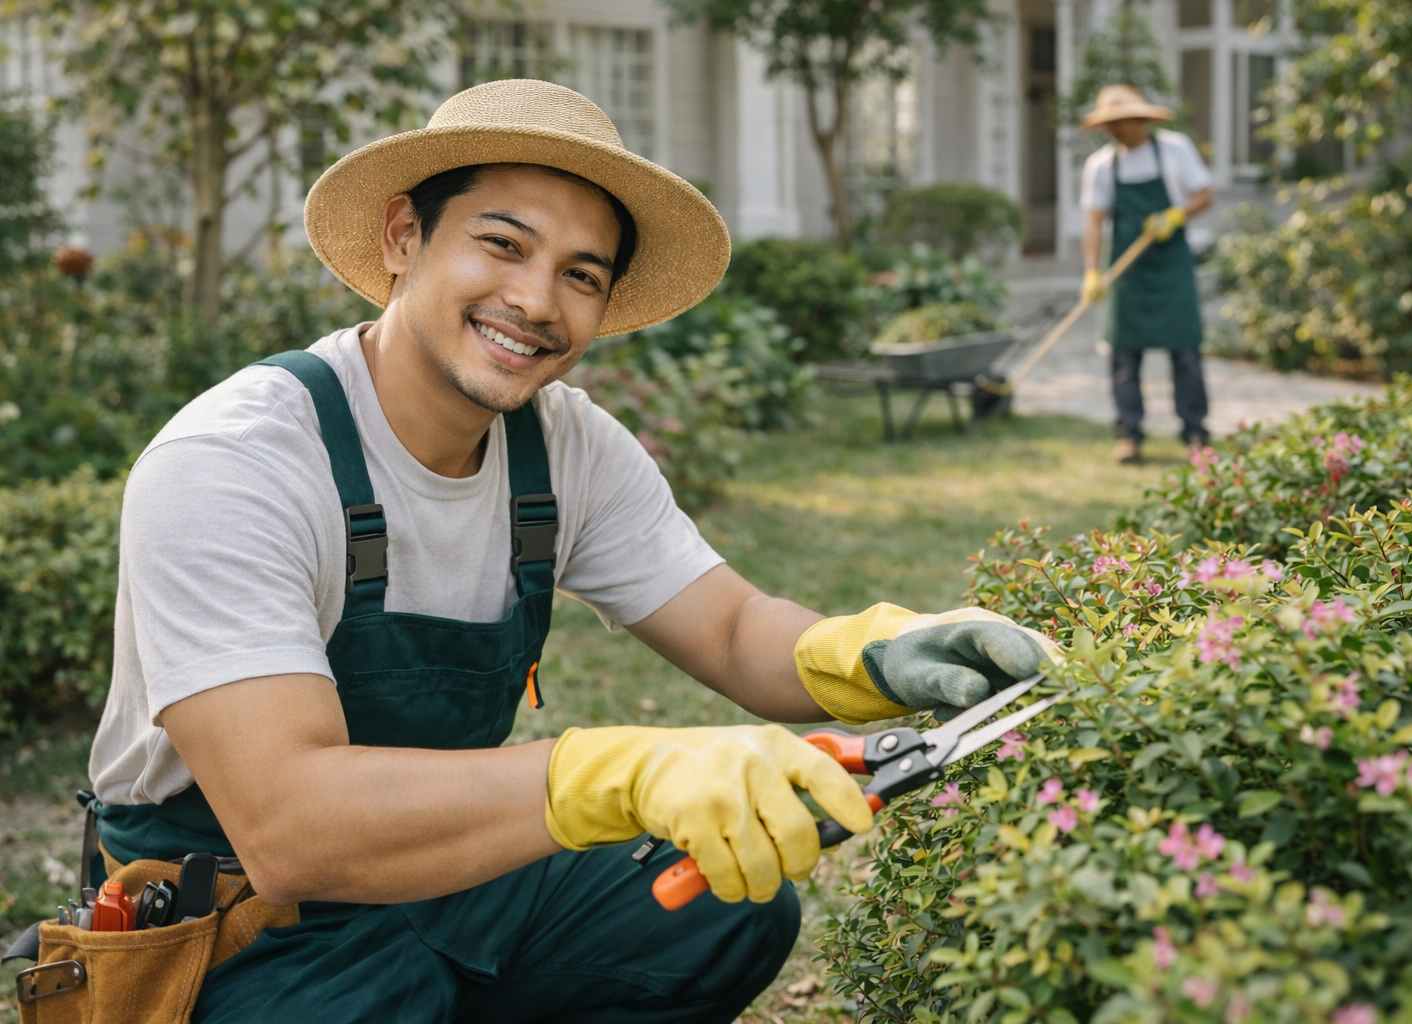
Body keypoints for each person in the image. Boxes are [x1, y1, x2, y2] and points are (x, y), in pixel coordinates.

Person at [82, 79, 1055, 1021]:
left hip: (445, 869)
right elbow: (292, 823)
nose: (537, 299)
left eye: (581, 275)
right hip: (238, 916)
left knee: (719, 911)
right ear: (403, 237)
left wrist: (874, 655)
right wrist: (613, 773)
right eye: (502, 245)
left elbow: (728, 624)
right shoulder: (238, 460)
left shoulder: (564, 446)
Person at [1078, 84, 1215, 464]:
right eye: (1109, 125)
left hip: (1172, 266)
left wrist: (1176, 216)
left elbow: (1205, 194)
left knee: (1185, 350)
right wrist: (1091, 271)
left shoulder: (1174, 149)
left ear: (1141, 120)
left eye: (1120, 122)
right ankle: (1129, 434)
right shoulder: (1102, 166)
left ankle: (1195, 432)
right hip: (1127, 269)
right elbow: (1093, 220)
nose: (1114, 130)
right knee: (1123, 354)